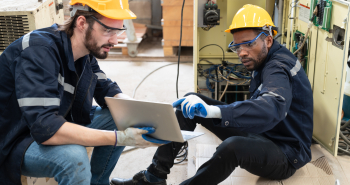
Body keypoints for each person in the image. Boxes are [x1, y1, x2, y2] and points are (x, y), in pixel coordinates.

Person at [111, 4, 313, 185]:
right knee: (189, 103)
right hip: (263, 132)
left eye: (248, 44)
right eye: (237, 46)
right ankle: (154, 176)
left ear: (268, 40)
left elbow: (272, 107)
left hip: (286, 153)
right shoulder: (266, 58)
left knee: (232, 147)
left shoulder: (278, 66)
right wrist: (211, 110)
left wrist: (216, 111)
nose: (242, 52)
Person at [0, 0, 161, 184]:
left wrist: (140, 112)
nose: (115, 40)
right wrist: (121, 138)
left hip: (55, 120)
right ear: (82, 23)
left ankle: (98, 182)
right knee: (73, 158)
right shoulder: (39, 51)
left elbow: (106, 88)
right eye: (108, 31)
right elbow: (46, 128)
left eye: (118, 31)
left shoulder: (83, 52)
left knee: (118, 117)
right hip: (17, 138)